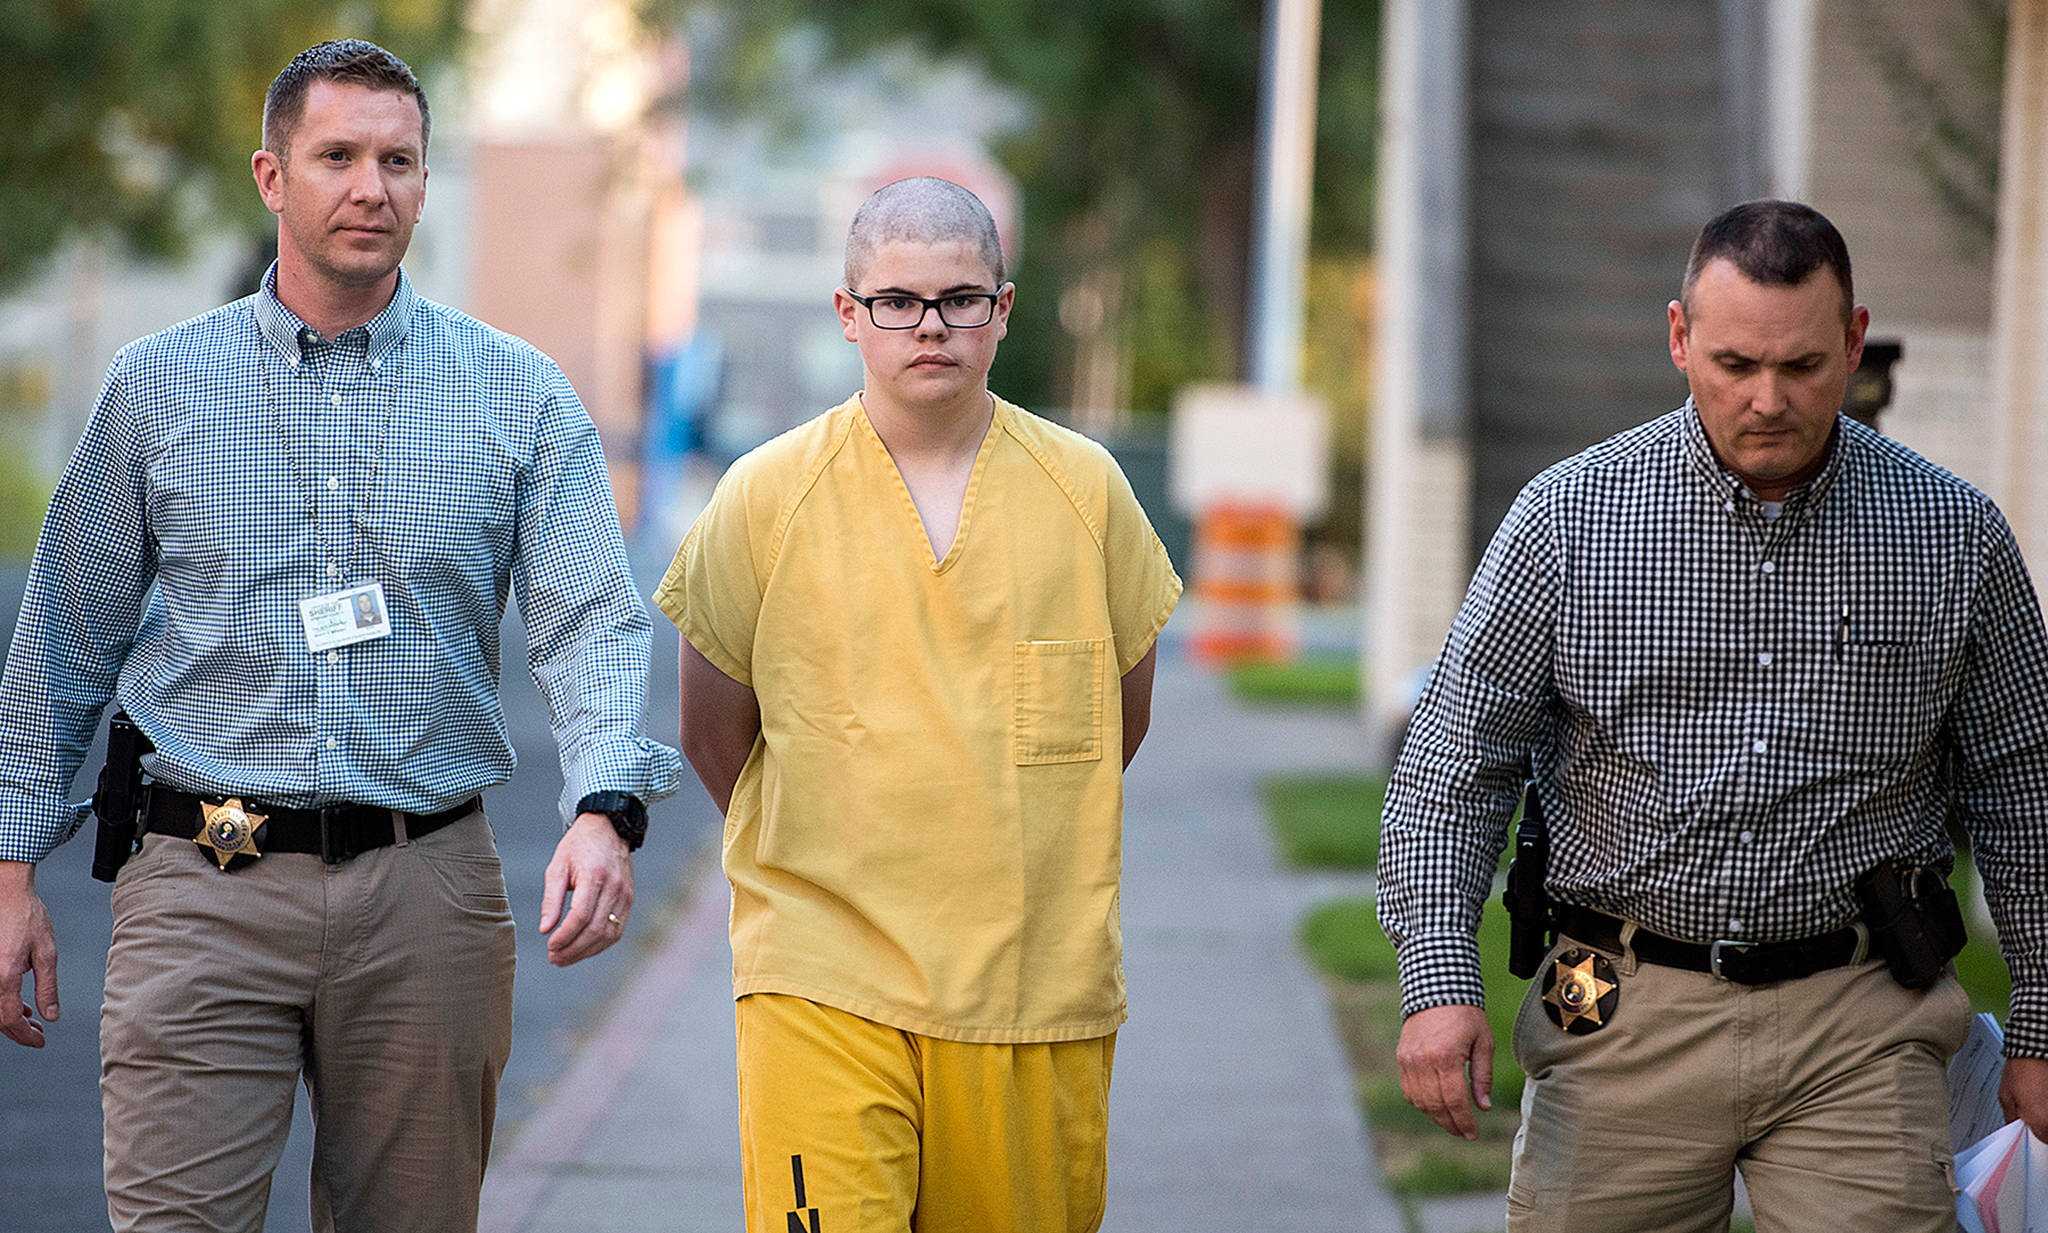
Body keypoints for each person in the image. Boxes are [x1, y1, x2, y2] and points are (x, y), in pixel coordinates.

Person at [0, 39, 680, 1233]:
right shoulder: (158, 386)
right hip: (202, 884)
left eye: (400, 161)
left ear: (425, 183)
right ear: (272, 176)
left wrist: (603, 805)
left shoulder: (517, 394)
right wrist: (9, 869)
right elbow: (63, 636)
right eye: (339, 157)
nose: (372, 187)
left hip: (429, 898)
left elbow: (590, 621)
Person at [1377, 199, 2048, 1232]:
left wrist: (2041, 1023)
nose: (1768, 399)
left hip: (1862, 1016)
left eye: (1802, 366)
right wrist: (1436, 982)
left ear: (1854, 341)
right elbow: (1450, 771)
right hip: (1615, 1000)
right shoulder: (1567, 519)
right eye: (1734, 364)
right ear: (1679, 339)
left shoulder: (1951, 536)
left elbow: (2023, 789)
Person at [654, 176, 1181, 1233]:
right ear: (848, 314)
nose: (928, 325)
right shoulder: (763, 496)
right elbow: (713, 733)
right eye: (896, 300)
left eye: (959, 298)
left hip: (1034, 986)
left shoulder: (1087, 493)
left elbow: (1115, 726)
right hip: (821, 969)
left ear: (1004, 308)